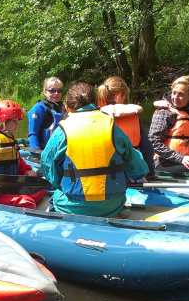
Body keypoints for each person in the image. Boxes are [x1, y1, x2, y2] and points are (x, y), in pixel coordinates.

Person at [41, 82, 149, 218]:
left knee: (54, 198)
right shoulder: (112, 127)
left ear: (67, 108)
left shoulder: (61, 131)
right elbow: (138, 169)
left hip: (72, 206)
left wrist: (61, 185)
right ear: (97, 102)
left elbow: (48, 167)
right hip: (112, 206)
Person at [97, 76, 156, 179]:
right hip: (130, 174)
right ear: (119, 96)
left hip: (104, 174)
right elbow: (147, 149)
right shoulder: (132, 116)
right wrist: (149, 173)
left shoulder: (95, 116)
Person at [27, 77, 65, 149]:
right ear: (45, 92)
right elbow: (33, 134)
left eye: (59, 90)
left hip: (59, 151)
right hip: (43, 150)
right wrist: (37, 154)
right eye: (52, 91)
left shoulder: (64, 108)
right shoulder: (39, 108)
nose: (56, 93)